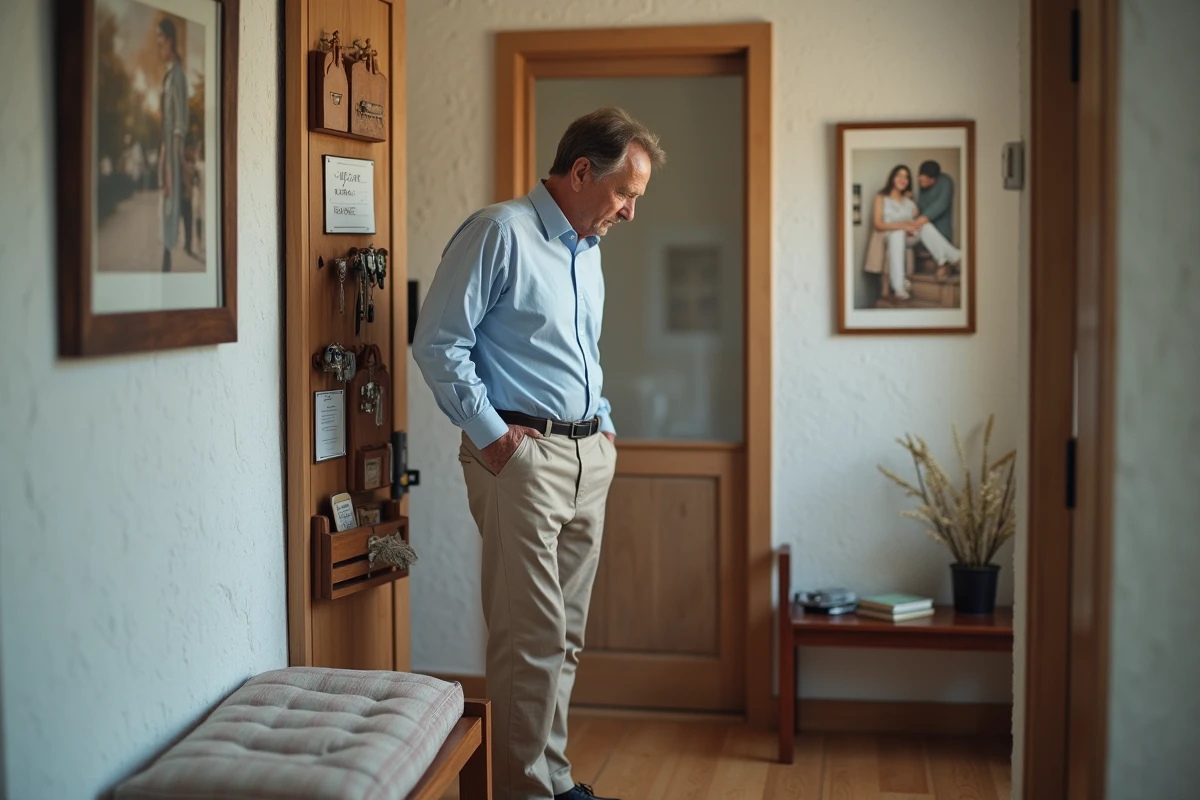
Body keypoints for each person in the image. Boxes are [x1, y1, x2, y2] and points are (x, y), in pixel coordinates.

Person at [413, 106, 665, 800]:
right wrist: (493, 437)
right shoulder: (500, 232)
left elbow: (579, 355)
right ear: (582, 172)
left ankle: (553, 780)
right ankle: (525, 793)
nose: (630, 212)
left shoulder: (588, 251)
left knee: (565, 638)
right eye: (625, 193)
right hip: (522, 459)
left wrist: (603, 424)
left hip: (588, 459)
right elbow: (438, 343)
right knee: (529, 642)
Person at [872, 164, 961, 299]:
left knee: (925, 225)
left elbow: (915, 219)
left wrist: (911, 225)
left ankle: (952, 256)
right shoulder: (881, 197)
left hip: (908, 237)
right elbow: (878, 224)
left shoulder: (908, 201)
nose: (903, 179)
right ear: (892, 178)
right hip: (890, 234)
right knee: (897, 234)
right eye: (899, 176)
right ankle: (899, 287)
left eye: (906, 177)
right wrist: (902, 226)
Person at [156, 17, 187, 272]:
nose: (159, 45)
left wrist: (170, 163)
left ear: (171, 40)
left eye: (161, 39)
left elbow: (179, 123)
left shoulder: (178, 76)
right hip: (167, 148)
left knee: (170, 203)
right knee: (165, 204)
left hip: (173, 150)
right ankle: (166, 258)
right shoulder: (168, 75)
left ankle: (167, 261)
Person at [915, 159, 954, 243]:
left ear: (934, 179)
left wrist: (920, 220)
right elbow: (920, 205)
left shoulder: (945, 181)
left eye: (927, 181)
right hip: (925, 231)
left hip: (942, 231)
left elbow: (941, 204)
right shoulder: (922, 187)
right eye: (922, 180)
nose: (924, 183)